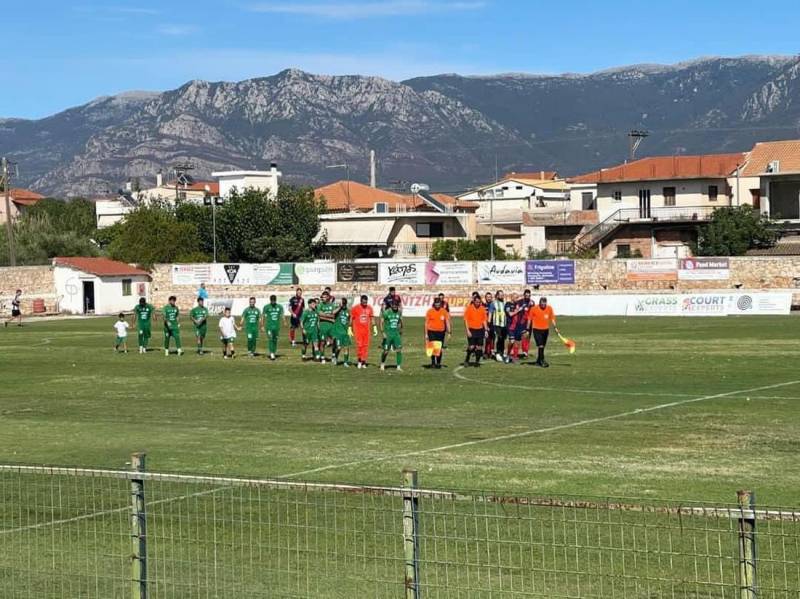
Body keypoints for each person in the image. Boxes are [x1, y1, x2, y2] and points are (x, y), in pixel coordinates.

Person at [528, 296, 557, 368]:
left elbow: (552, 318)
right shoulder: (534, 309)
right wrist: (527, 329)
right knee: (540, 345)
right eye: (542, 304)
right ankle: (542, 360)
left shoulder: (549, 308)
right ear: (539, 303)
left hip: (545, 330)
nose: (543, 306)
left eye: (544, 304)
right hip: (536, 329)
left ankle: (538, 360)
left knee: (542, 346)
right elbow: (529, 319)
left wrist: (555, 327)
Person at [350, 295, 377, 369]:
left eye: (366, 302)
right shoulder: (355, 308)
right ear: (361, 301)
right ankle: (359, 361)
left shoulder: (369, 308)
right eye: (363, 302)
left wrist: (374, 327)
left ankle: (364, 361)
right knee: (359, 346)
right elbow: (351, 318)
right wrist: (350, 327)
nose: (365, 303)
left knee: (365, 346)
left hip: (366, 331)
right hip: (358, 330)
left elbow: (372, 318)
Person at [425, 296, 450, 369]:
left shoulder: (444, 311)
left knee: (439, 348)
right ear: (434, 304)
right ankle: (433, 362)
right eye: (436, 304)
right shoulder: (430, 311)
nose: (437, 306)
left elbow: (447, 321)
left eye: (439, 304)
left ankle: (438, 363)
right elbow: (426, 323)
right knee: (432, 347)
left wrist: (449, 332)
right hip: (431, 331)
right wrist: (426, 334)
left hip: (441, 332)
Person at [463, 293, 488, 367]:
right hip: (472, 330)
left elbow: (484, 320)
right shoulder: (469, 308)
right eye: (477, 302)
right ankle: (467, 359)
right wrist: (467, 330)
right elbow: (466, 320)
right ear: (473, 301)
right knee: (471, 347)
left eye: (479, 302)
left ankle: (477, 362)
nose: (478, 303)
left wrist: (486, 330)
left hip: (480, 330)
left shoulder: (482, 309)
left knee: (479, 347)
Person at [380, 299, 404, 372]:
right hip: (388, 335)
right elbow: (381, 322)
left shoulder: (399, 312)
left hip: (396, 334)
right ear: (391, 305)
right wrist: (383, 332)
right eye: (394, 305)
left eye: (396, 305)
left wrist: (400, 329)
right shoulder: (387, 312)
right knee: (386, 351)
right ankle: (382, 364)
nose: (395, 306)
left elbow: (400, 321)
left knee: (399, 350)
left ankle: (398, 366)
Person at [316, 290, 337, 362]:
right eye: (322, 297)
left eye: (324, 297)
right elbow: (320, 315)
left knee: (334, 341)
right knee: (322, 342)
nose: (323, 298)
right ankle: (322, 357)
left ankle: (334, 355)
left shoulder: (332, 305)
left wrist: (325, 315)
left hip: (332, 327)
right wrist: (329, 317)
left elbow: (334, 315)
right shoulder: (320, 305)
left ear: (328, 297)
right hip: (323, 327)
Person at [262, 295, 284, 361]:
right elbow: (263, 316)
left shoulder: (279, 307)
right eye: (272, 300)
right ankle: (271, 353)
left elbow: (282, 315)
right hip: (269, 326)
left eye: (274, 300)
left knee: (275, 340)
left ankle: (274, 352)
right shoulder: (266, 307)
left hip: (277, 326)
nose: (273, 301)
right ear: (270, 300)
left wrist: (285, 321)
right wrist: (262, 325)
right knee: (270, 339)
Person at [504, 292, 524, 364]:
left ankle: (515, 357)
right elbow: (510, 314)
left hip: (518, 326)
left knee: (517, 342)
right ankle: (508, 355)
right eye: (516, 297)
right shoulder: (508, 305)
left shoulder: (518, 305)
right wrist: (518, 310)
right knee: (512, 341)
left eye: (517, 297)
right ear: (511, 297)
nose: (517, 299)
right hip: (510, 326)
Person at [331, 297, 352, 367]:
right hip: (338, 332)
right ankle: (335, 358)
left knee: (346, 347)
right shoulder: (338, 310)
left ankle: (345, 362)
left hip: (345, 333)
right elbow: (333, 313)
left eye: (344, 303)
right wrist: (339, 307)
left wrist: (350, 329)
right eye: (342, 303)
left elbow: (350, 320)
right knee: (339, 347)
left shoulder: (348, 311)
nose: (343, 304)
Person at [490, 290, 508, 362]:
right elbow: (490, 314)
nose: (501, 296)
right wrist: (489, 323)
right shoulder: (493, 303)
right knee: (499, 338)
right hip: (496, 324)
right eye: (500, 295)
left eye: (502, 295)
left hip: (504, 324)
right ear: (497, 295)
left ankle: (502, 352)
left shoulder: (505, 303)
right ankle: (497, 353)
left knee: (503, 339)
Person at [518, 289, 533, 358]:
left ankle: (526, 352)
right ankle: (524, 351)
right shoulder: (520, 302)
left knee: (528, 337)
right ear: (524, 295)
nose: (527, 297)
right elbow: (517, 310)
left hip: (530, 322)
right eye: (526, 295)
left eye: (529, 295)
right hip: (522, 322)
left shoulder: (532, 302)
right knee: (524, 336)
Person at [483, 291, 495, 358]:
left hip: (492, 324)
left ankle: (491, 352)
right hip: (485, 324)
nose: (489, 298)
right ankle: (486, 352)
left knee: (492, 338)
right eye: (487, 297)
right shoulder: (483, 305)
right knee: (486, 338)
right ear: (485, 298)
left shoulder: (493, 305)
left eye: (490, 297)